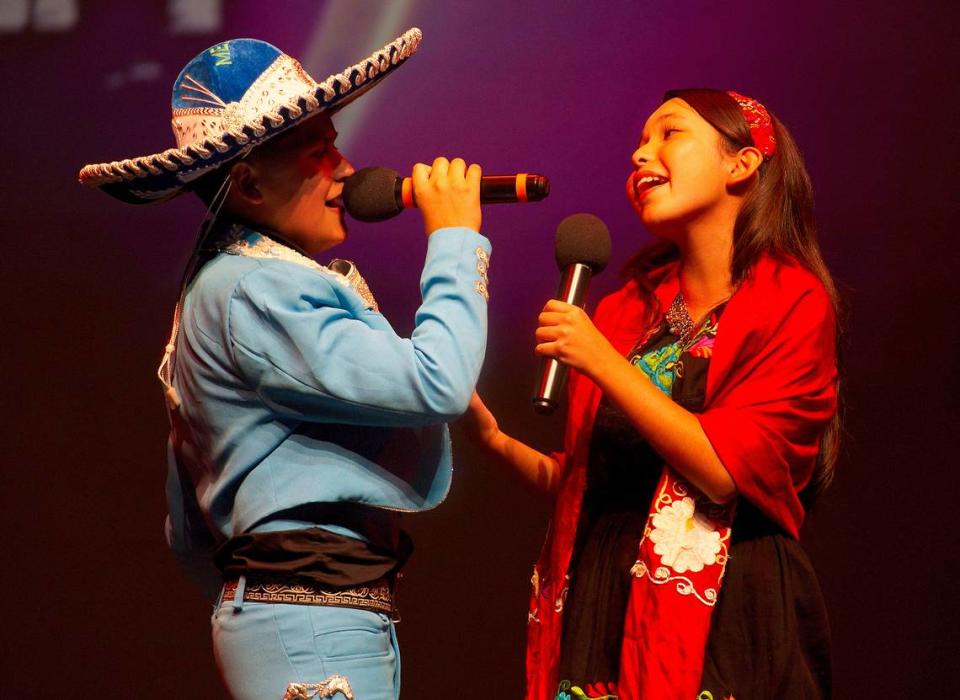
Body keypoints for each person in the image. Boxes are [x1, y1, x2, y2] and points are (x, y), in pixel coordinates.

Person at [80, 29, 492, 700]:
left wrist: (258, 594)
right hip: (311, 622)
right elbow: (436, 383)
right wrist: (454, 240)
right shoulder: (256, 289)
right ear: (246, 183)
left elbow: (186, 523)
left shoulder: (225, 285)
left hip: (311, 615)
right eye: (319, 152)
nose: (347, 168)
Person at [465, 89, 839, 699]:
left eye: (669, 134)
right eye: (640, 142)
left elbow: (722, 471)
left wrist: (604, 363)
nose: (642, 154)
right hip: (604, 601)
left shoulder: (792, 299)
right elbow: (593, 486)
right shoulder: (623, 310)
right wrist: (494, 440)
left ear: (741, 164)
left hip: (721, 604)